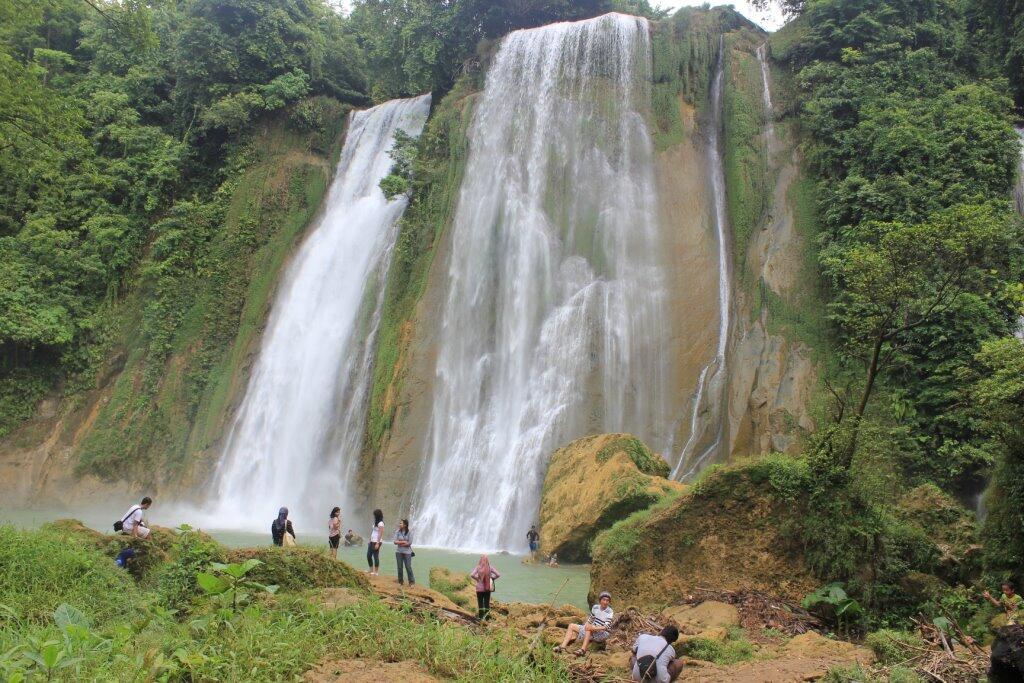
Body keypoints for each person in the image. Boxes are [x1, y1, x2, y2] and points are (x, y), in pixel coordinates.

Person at [555, 591, 614, 656]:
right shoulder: (595, 607)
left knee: (589, 629)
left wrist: (593, 628)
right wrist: (586, 626)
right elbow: (591, 619)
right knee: (571, 626)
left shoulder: (609, 612)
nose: (605, 602)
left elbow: (605, 627)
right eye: (604, 600)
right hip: (593, 628)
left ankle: (583, 650)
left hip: (602, 633)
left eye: (607, 600)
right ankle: (562, 647)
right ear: (600, 600)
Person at [470, 554, 501, 620]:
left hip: (479, 589)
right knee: (486, 603)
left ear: (480, 560)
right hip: (487, 588)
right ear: (487, 560)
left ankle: (480, 618)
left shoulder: (478, 567)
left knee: (480, 603)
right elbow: (498, 574)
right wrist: (492, 578)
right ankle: (487, 618)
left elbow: (472, 574)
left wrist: (477, 579)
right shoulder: (490, 567)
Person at [394, 518, 414, 586]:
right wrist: (403, 541)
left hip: (407, 552)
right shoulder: (397, 532)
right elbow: (395, 542)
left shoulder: (410, 532)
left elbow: (410, 543)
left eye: (401, 523)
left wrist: (400, 543)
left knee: (408, 567)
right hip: (398, 552)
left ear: (405, 525)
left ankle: (411, 582)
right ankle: (400, 582)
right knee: (399, 567)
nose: (399, 524)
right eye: (399, 523)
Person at [367, 509, 384, 576]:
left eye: (375, 515)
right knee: (368, 555)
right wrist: (369, 539)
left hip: (377, 541)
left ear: (377, 515)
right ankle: (371, 569)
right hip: (372, 541)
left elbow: (380, 533)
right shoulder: (376, 522)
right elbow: (373, 532)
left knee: (375, 556)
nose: (374, 516)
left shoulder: (381, 523)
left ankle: (376, 572)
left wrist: (377, 543)